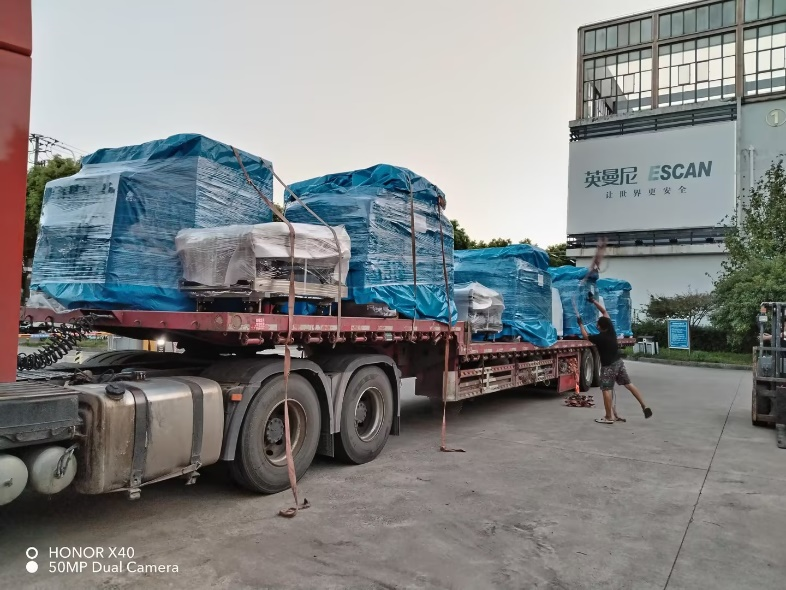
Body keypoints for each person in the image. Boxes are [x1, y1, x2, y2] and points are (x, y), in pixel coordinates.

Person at [577, 293, 653, 425]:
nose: (596, 324)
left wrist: (581, 324)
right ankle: (644, 405)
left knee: (606, 389)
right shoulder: (611, 330)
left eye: (597, 323)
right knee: (629, 384)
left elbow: (585, 336)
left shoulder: (599, 338)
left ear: (600, 327)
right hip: (619, 362)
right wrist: (593, 301)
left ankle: (608, 417)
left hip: (608, 366)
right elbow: (604, 311)